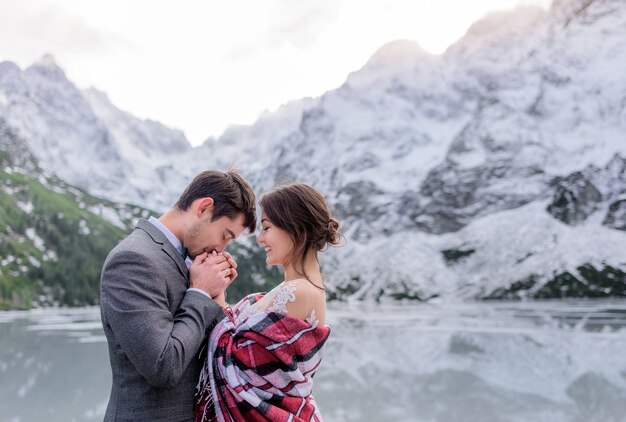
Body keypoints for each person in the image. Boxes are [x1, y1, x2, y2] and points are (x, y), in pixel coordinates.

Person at [100, 169, 257, 421]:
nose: (221, 248)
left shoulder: (190, 259)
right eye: (225, 235)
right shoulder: (133, 259)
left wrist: (217, 299)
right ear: (203, 208)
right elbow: (163, 366)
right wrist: (201, 293)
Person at [194, 183, 342, 422]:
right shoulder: (290, 289)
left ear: (294, 227)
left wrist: (216, 296)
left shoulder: (300, 292)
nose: (260, 239)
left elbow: (241, 366)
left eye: (267, 228)